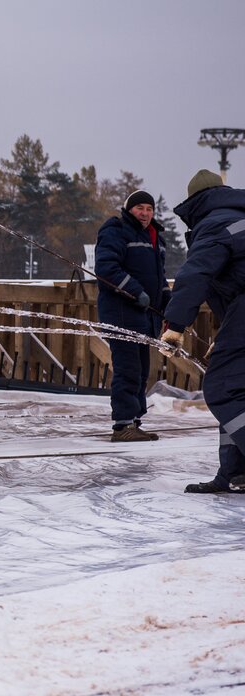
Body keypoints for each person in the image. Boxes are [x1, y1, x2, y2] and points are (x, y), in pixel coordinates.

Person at [160, 169, 245, 494]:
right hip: (238, 316)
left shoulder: (214, 224)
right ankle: (235, 473)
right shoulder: (237, 217)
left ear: (195, 202)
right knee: (238, 392)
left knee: (223, 389)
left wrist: (175, 326)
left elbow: (195, 275)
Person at [94, 190, 169, 442]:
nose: (145, 213)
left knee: (141, 370)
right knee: (127, 369)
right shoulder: (116, 231)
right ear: (129, 209)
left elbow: (159, 277)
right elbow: (106, 269)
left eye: (149, 209)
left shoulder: (154, 237)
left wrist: (167, 301)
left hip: (145, 317)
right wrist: (135, 291)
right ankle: (122, 426)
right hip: (121, 314)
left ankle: (135, 421)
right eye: (140, 208)